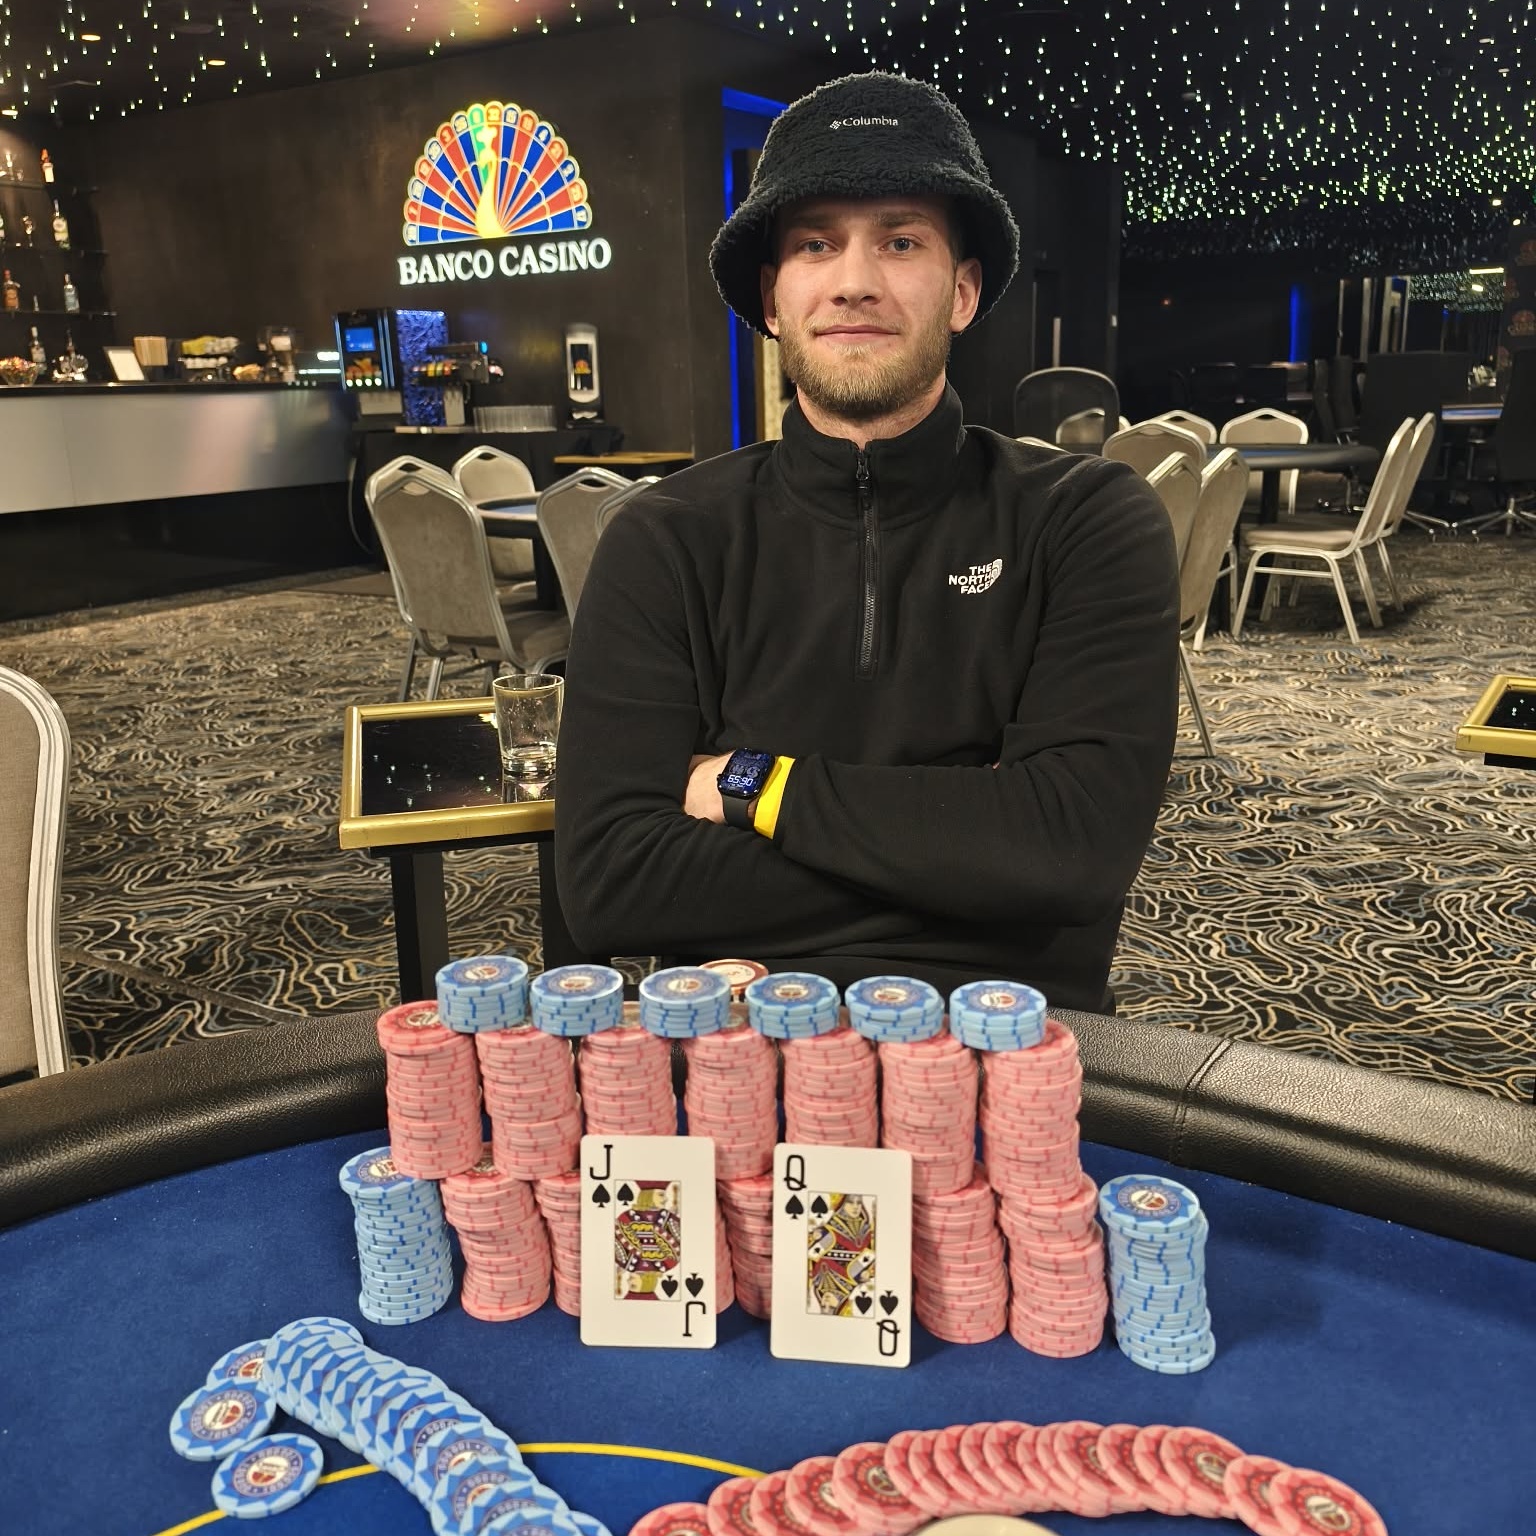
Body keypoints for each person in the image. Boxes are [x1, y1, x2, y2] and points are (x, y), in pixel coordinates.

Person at [554, 71, 1179, 1013]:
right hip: (741, 1037)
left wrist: (754, 789)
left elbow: (1073, 851)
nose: (853, 281)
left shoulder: (1086, 518)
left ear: (962, 292)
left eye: (900, 241)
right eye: (815, 244)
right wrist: (975, 858)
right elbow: (612, 879)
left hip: (1013, 1037)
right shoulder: (665, 537)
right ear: (772, 300)